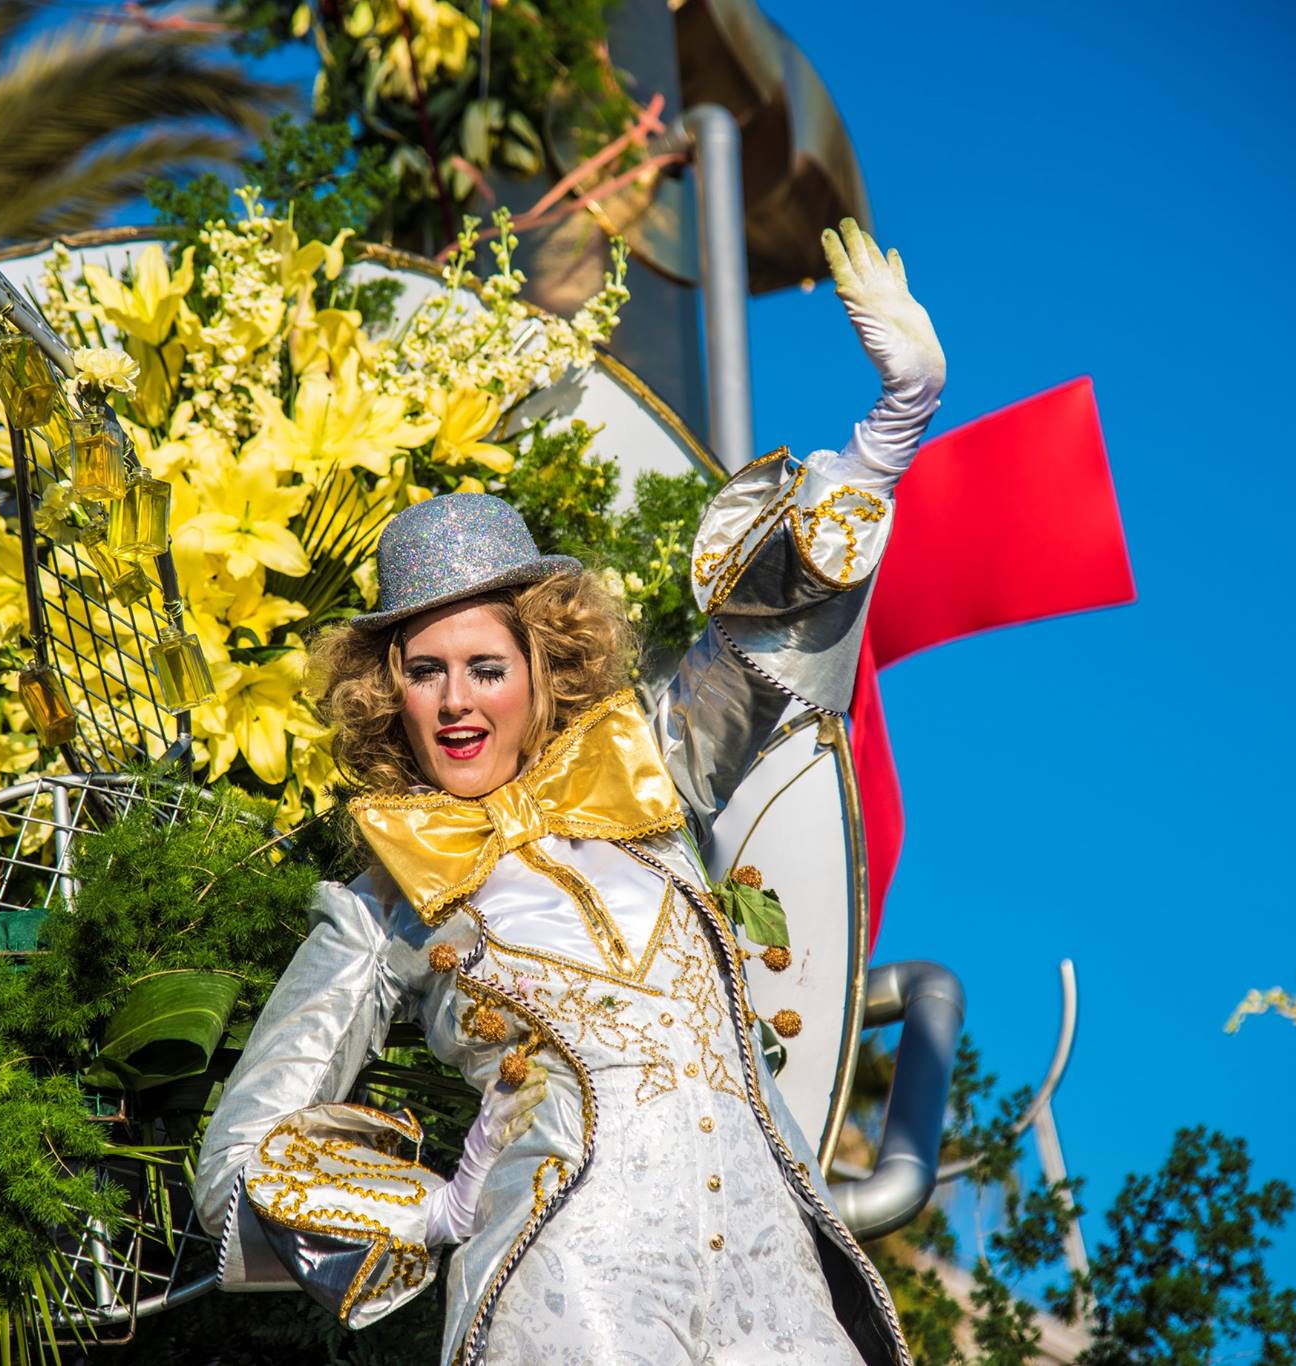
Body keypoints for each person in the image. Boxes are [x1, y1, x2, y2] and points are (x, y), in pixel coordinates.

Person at [192, 219, 945, 1365]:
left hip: (770, 1271)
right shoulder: (383, 900)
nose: (454, 700)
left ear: (544, 671)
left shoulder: (649, 771)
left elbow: (761, 635)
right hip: (569, 1275)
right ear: (384, 693)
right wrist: (432, 1212)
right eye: (422, 671)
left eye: (484, 667)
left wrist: (892, 425)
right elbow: (238, 1159)